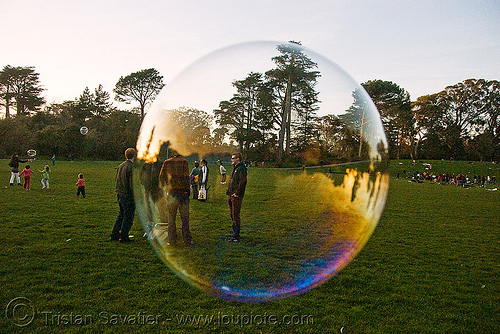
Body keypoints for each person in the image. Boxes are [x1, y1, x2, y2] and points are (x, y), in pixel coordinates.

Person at [158, 155, 192, 246]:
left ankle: (172, 240)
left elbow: (161, 177)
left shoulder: (167, 162)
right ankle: (187, 240)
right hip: (183, 194)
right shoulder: (184, 162)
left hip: (172, 193)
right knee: (185, 218)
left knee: (171, 218)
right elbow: (186, 178)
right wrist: (188, 191)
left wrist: (166, 187)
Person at [110, 148, 136, 243]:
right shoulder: (131, 167)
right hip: (128, 196)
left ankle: (114, 234)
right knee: (128, 217)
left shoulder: (121, 165)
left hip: (120, 194)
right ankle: (124, 237)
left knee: (121, 215)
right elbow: (132, 184)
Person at [226, 152, 247, 242]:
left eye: (233, 158)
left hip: (236, 196)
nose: (231, 160)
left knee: (235, 215)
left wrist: (237, 193)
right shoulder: (235, 168)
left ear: (238, 159)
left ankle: (236, 236)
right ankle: (234, 233)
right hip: (231, 195)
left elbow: (242, 182)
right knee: (232, 214)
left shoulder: (241, 169)